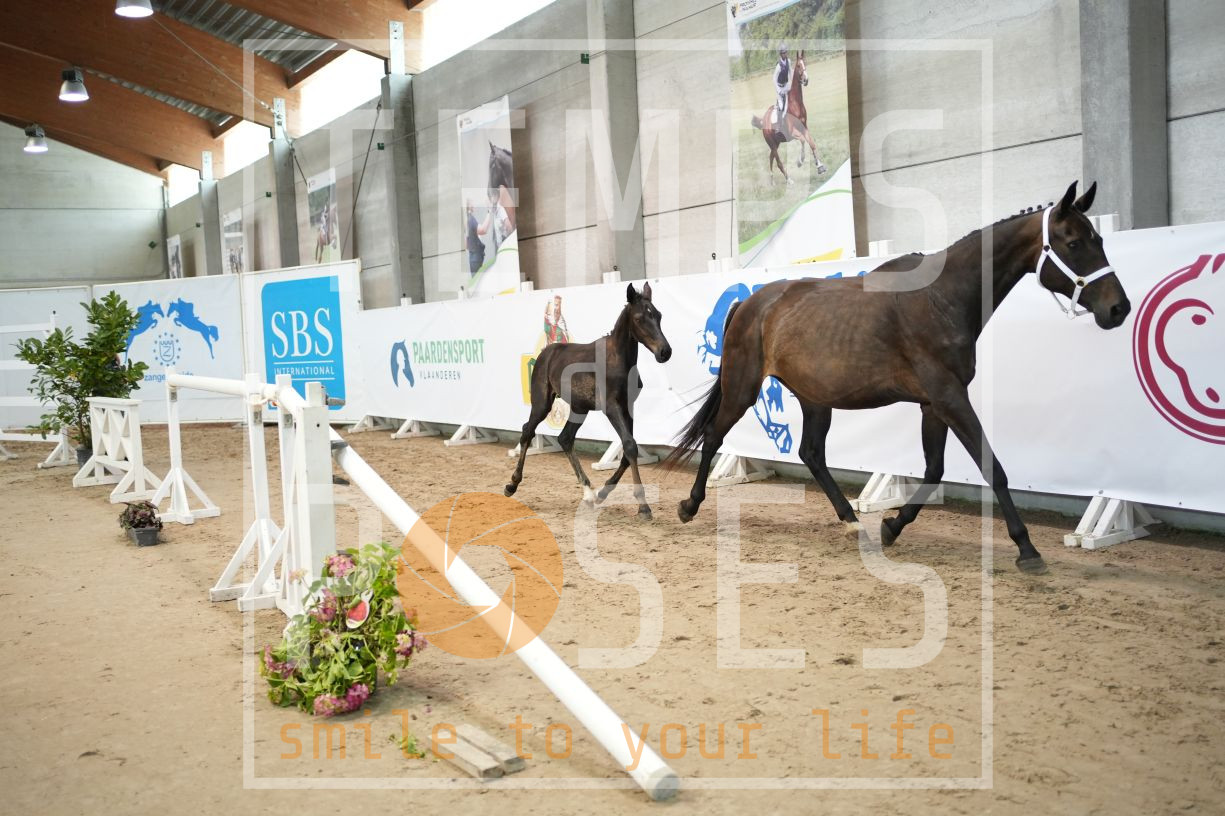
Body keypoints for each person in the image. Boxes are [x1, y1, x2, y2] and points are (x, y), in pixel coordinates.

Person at [773, 44, 792, 128]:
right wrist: (778, 90)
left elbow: (791, 72)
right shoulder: (778, 66)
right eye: (783, 53)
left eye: (786, 52)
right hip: (780, 87)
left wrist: (793, 82)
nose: (785, 54)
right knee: (781, 106)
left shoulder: (789, 61)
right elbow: (774, 78)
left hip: (786, 85)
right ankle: (778, 124)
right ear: (780, 54)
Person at [465, 201, 485, 276]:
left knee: (477, 279)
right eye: (472, 203)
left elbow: (466, 245)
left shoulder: (467, 219)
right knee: (478, 279)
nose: (474, 205)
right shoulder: (471, 219)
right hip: (475, 256)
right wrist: (489, 213)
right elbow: (483, 230)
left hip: (473, 257)